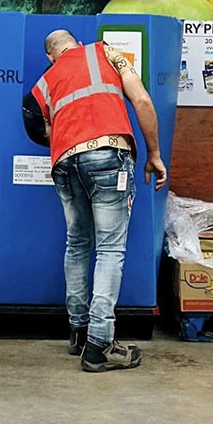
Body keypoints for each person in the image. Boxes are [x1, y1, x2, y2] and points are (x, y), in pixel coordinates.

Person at [30, 30, 167, 373]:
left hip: (65, 162)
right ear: (77, 43)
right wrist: (154, 154)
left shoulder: (46, 80)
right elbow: (143, 101)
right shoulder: (106, 52)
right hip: (108, 154)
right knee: (109, 249)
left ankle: (78, 332)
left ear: (51, 56)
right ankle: (100, 343)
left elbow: (33, 121)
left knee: (76, 244)